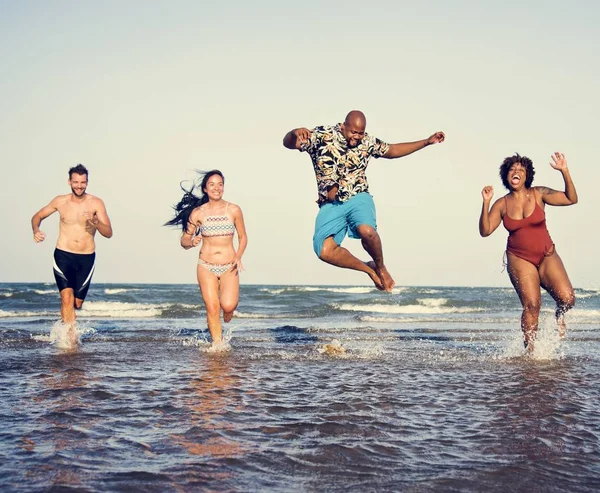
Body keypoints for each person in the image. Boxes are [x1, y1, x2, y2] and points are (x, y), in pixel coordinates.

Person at [283, 110, 445, 292]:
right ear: (343, 126)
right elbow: (288, 143)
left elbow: (392, 150)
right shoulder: (322, 135)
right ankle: (369, 269)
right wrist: (294, 132)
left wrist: (426, 142)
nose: (357, 137)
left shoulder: (367, 142)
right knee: (324, 251)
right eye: (353, 132)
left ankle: (381, 267)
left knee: (367, 231)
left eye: (360, 133)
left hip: (358, 196)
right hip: (331, 204)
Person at [479, 152, 577, 351]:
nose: (516, 172)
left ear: (527, 176)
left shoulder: (538, 193)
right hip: (519, 258)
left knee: (567, 299)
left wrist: (564, 171)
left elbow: (570, 198)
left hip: (547, 255)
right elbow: (485, 231)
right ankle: (530, 349)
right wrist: (486, 202)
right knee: (532, 305)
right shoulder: (502, 203)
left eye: (520, 170)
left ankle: (559, 314)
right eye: (512, 170)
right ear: (506, 175)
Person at [31, 164, 113, 343]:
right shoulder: (60, 201)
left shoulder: (96, 203)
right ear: (69, 182)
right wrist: (36, 230)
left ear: (87, 183)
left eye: (83, 182)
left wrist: (95, 223)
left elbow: (108, 232)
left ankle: (64, 327)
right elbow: (37, 216)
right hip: (63, 254)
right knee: (66, 298)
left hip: (86, 258)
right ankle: (69, 342)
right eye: (76, 182)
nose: (79, 186)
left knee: (77, 303)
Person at [166, 170, 247, 348]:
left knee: (228, 305)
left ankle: (228, 312)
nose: (216, 188)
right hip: (206, 265)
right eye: (212, 184)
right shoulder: (198, 213)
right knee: (212, 307)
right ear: (205, 188)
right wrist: (191, 241)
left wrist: (239, 256)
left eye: (220, 184)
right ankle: (217, 345)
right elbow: (184, 240)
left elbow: (243, 236)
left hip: (229, 265)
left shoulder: (234, 210)